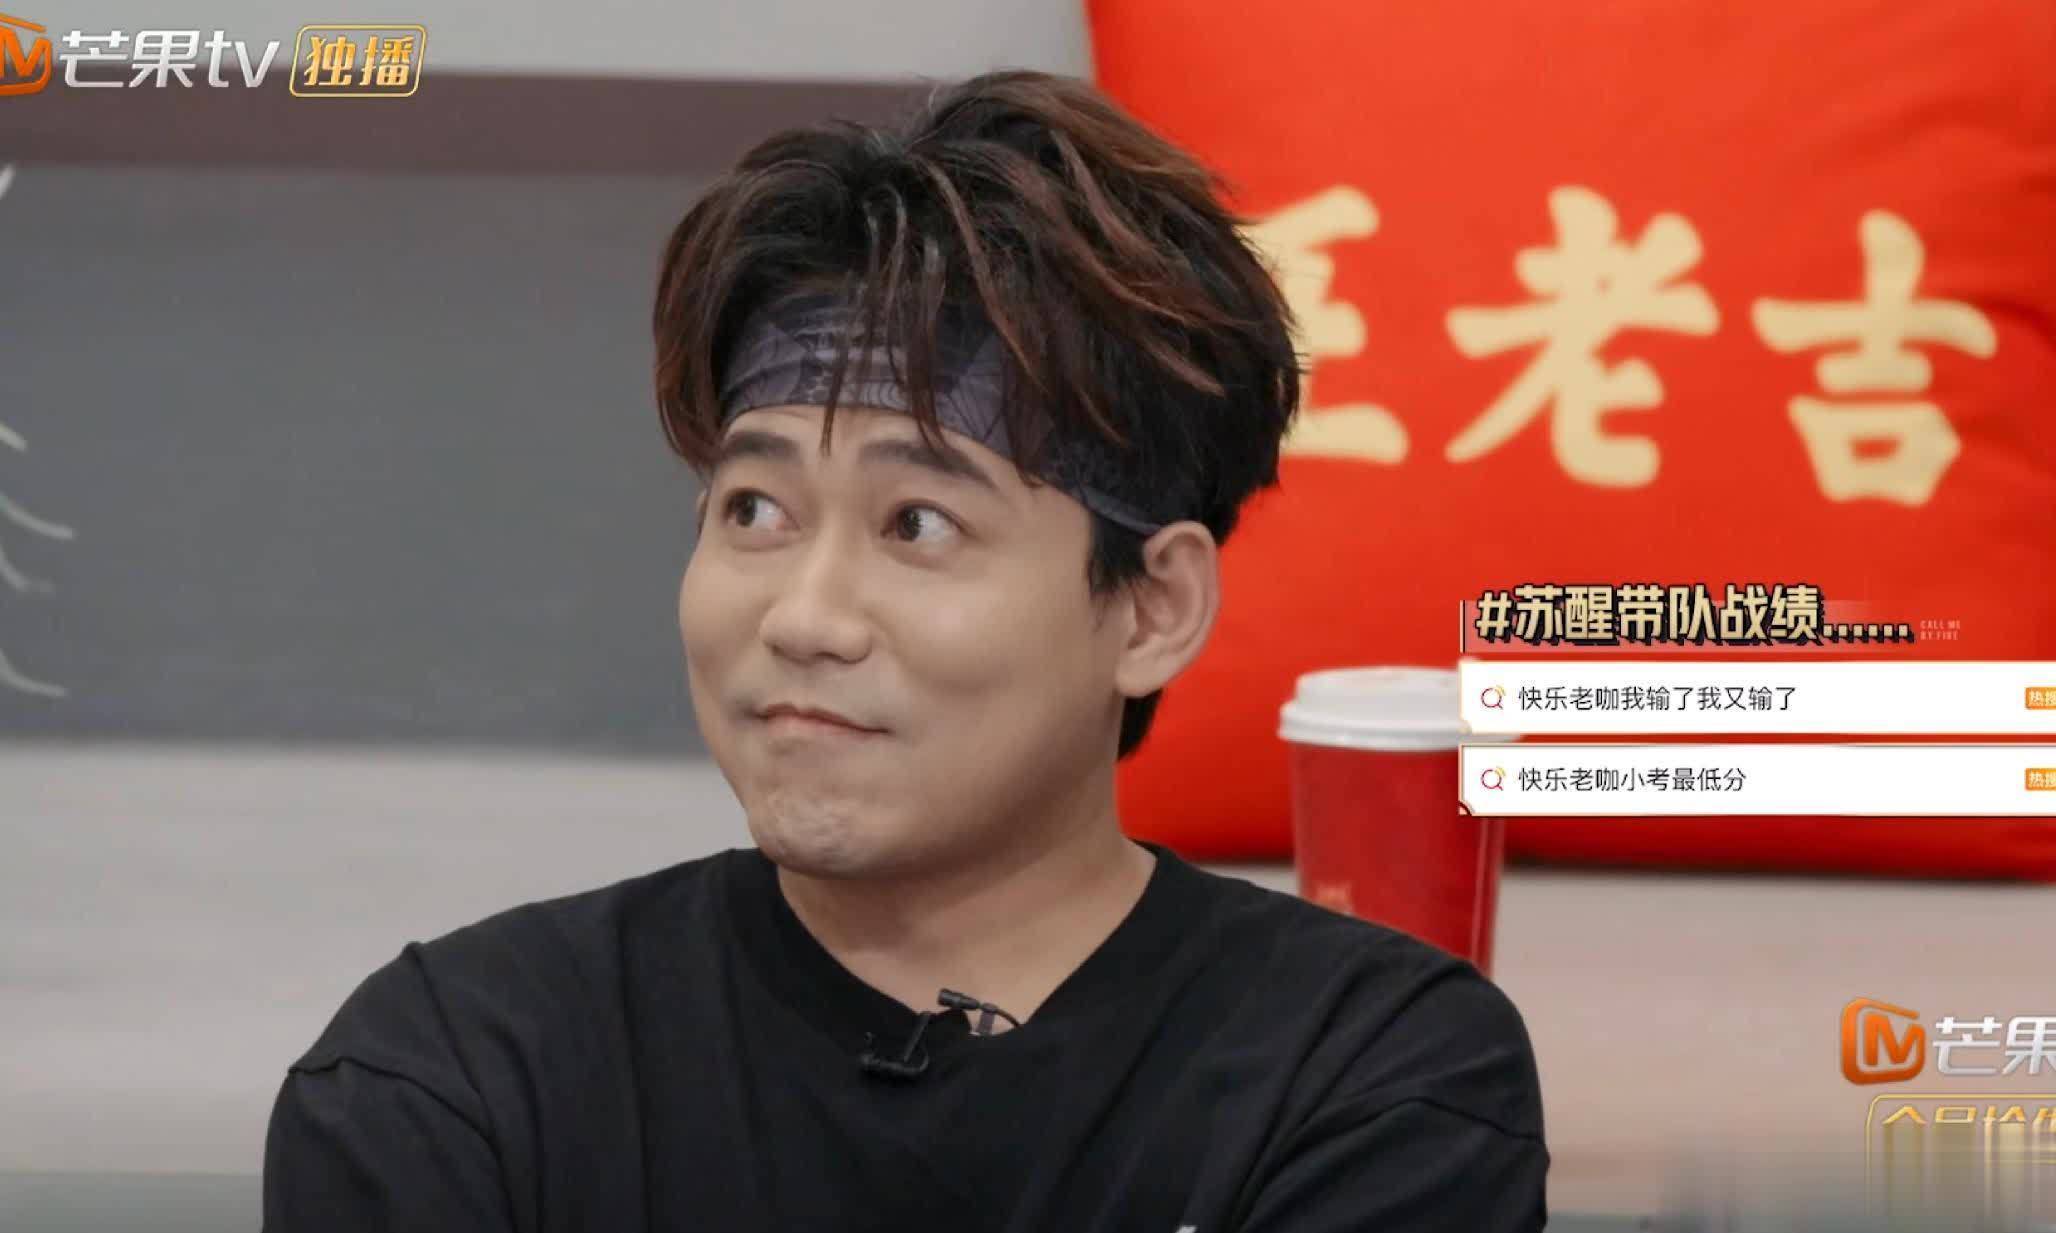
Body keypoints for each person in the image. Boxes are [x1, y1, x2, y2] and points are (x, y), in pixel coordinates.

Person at [262, 69, 1548, 1232]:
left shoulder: (1365, 1085)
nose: (804, 617)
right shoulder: (460, 1080)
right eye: (754, 511)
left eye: (917, 524)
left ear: (1151, 610)